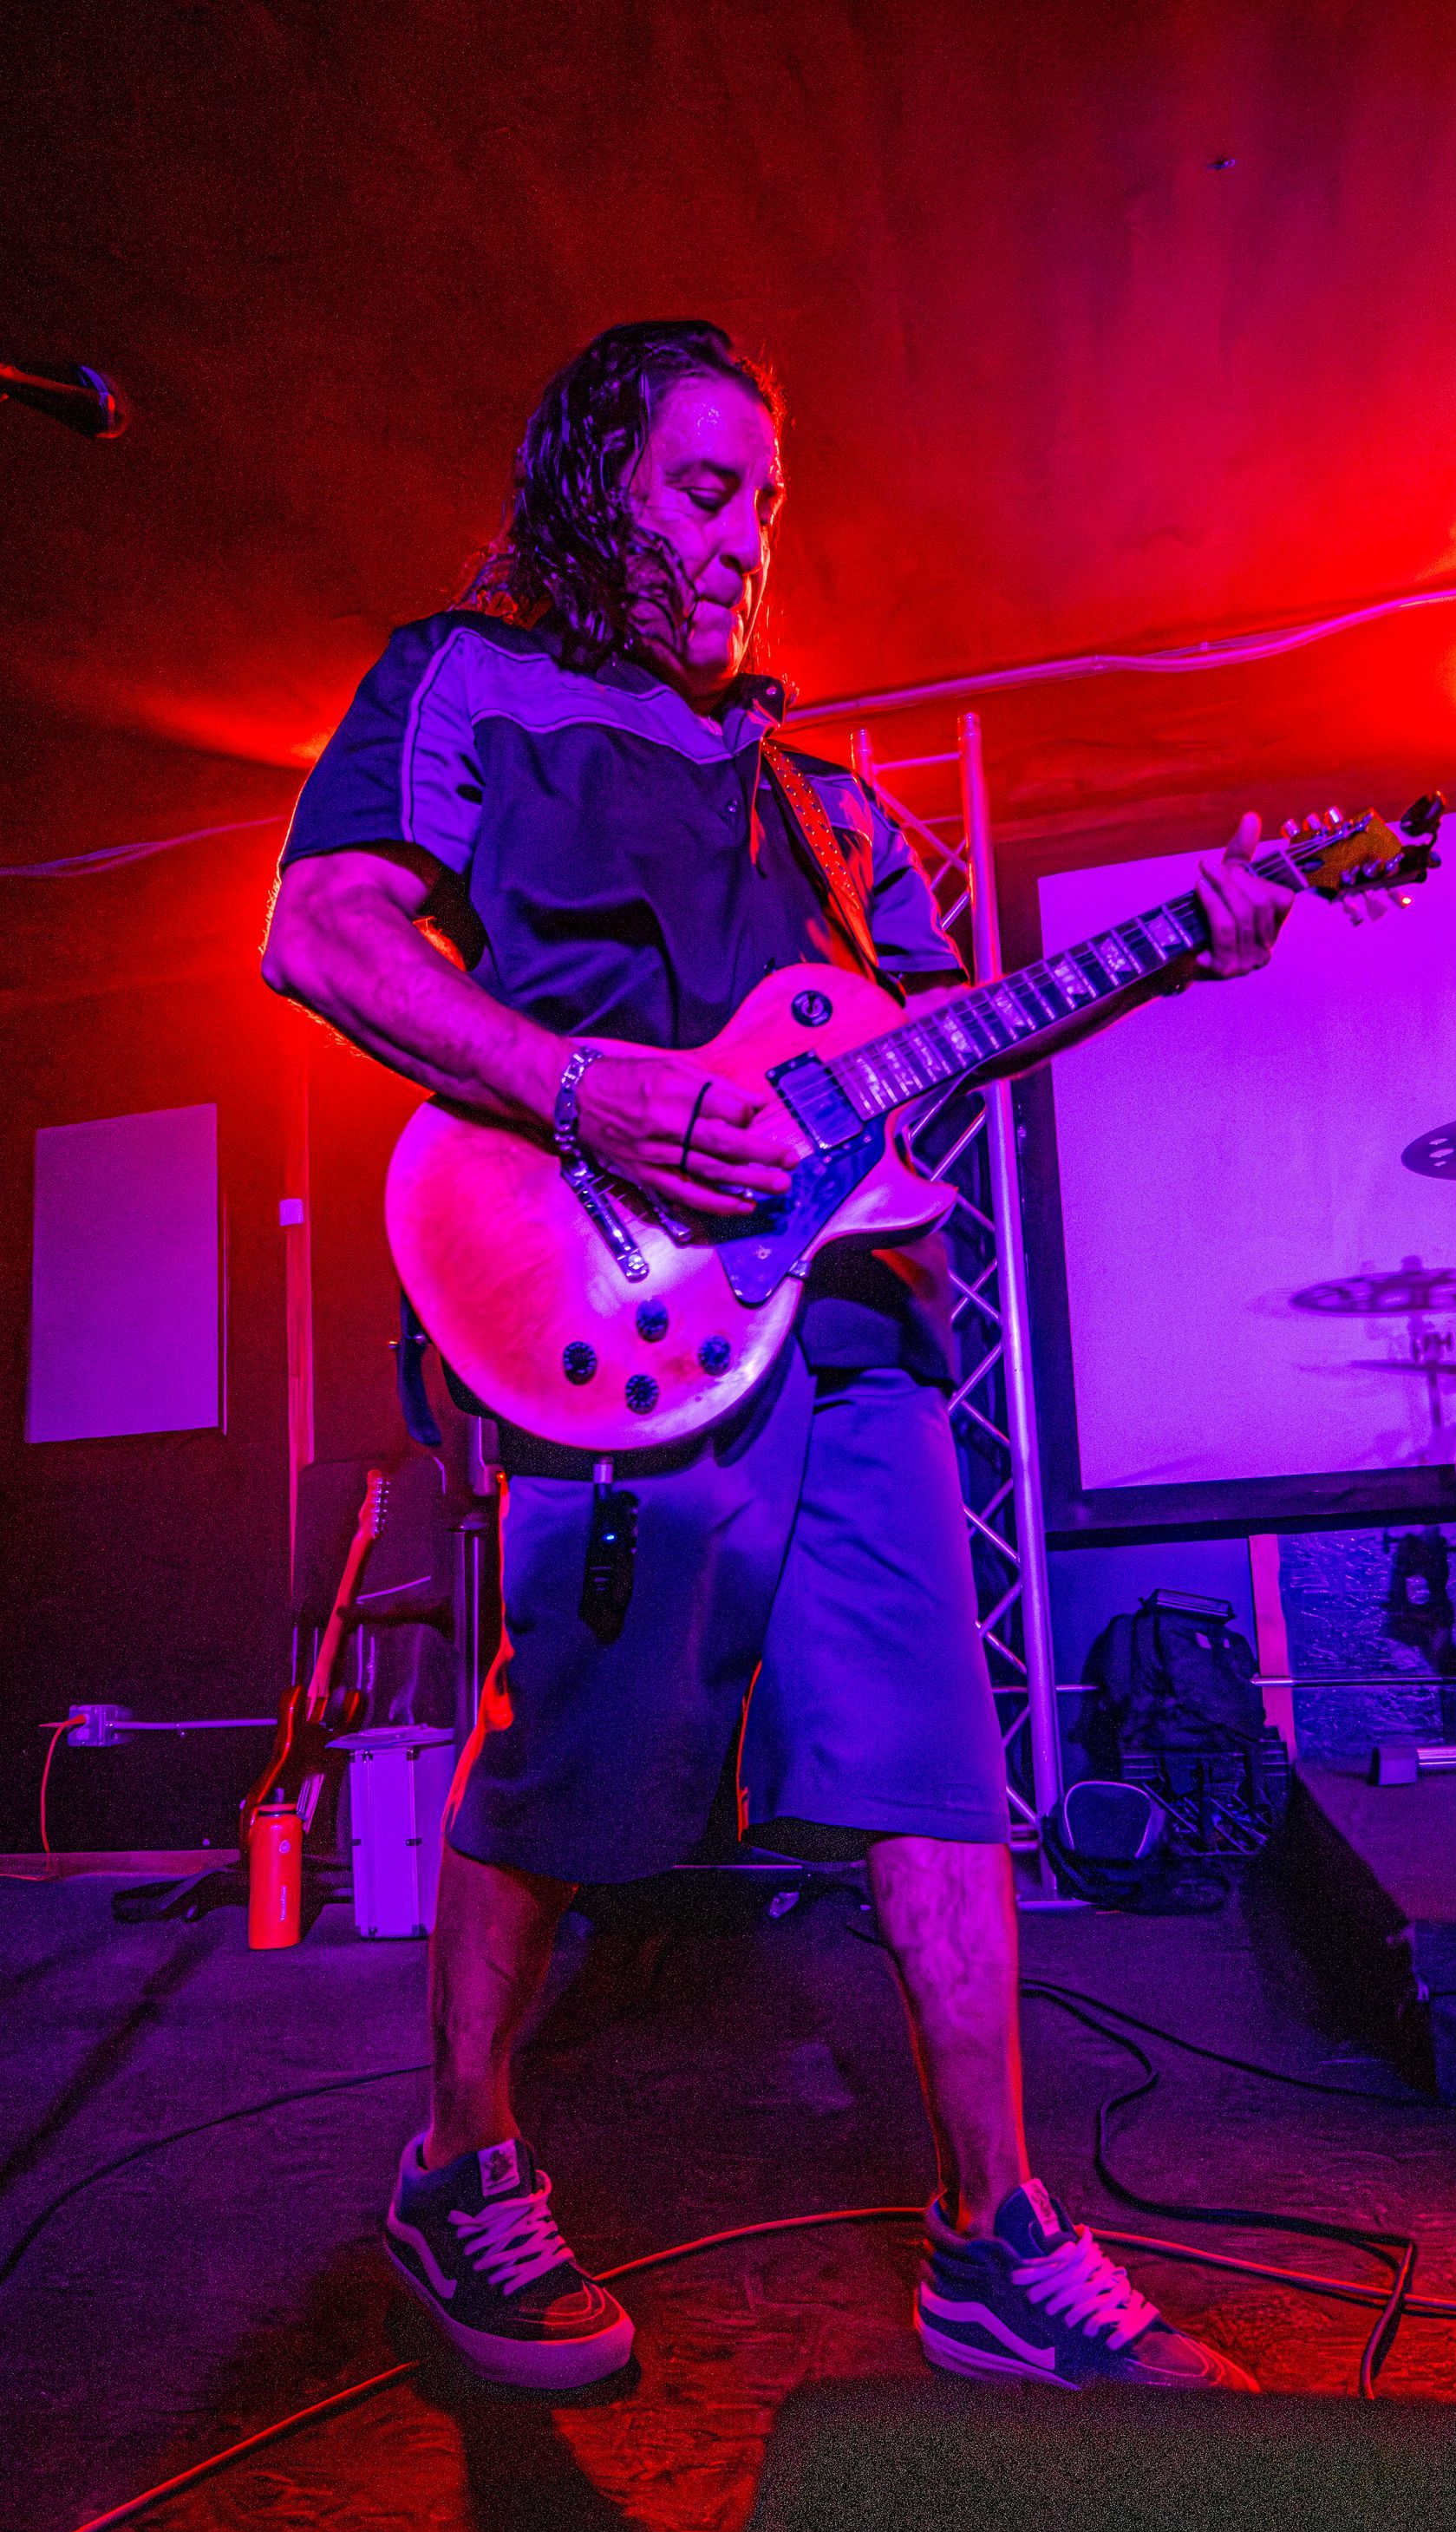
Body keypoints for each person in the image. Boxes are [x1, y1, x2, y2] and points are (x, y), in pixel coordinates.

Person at [263, 318, 1291, 2396]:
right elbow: (327, 936)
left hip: (851, 1326)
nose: (746, 540)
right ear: (595, 489)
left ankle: (994, 2232)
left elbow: (930, 1039)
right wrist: (587, 1091)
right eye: (702, 489)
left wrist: (1183, 935)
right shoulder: (462, 685)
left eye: (767, 505)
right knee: (570, 1758)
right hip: (604, 1296)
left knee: (938, 1762)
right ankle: (460, 2168)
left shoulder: (834, 797)